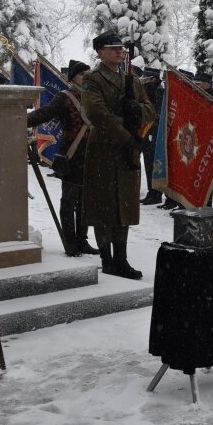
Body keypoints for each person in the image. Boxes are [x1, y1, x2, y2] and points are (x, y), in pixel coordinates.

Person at [81, 31, 156, 280]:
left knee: (123, 205)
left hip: (127, 152)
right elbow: (97, 113)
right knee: (104, 205)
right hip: (104, 149)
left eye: (120, 48)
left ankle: (121, 258)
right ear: (100, 52)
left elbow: (150, 109)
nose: (118, 52)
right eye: (112, 48)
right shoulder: (93, 79)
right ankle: (107, 259)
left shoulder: (131, 80)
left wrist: (138, 109)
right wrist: (126, 135)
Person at [27, 60, 99, 258]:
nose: (86, 76)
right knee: (69, 201)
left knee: (85, 202)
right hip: (72, 155)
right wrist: (19, 119)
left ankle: (82, 241)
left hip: (92, 155)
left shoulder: (94, 97)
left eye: (88, 73)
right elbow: (44, 114)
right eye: (82, 74)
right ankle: (70, 242)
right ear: (73, 77)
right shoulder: (64, 98)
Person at [139, 67, 164, 205]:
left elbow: (157, 114)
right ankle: (151, 192)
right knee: (148, 164)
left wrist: (152, 132)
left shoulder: (158, 91)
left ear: (153, 79)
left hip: (153, 133)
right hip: (146, 132)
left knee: (154, 165)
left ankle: (156, 193)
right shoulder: (147, 90)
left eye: (146, 79)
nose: (144, 81)